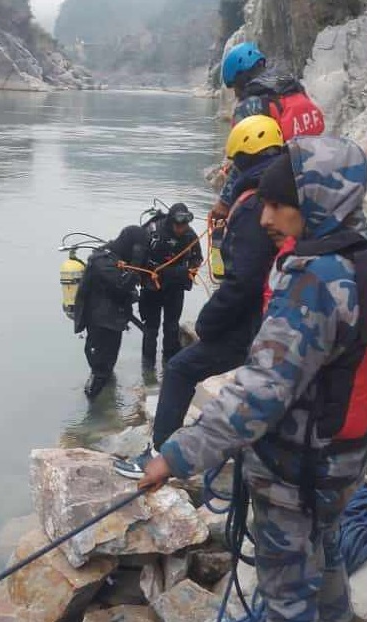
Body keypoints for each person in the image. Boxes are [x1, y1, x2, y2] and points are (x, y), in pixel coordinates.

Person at [138, 136, 367, 621]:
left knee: (285, 596)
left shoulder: (314, 284)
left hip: (294, 472)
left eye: (279, 205)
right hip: (346, 460)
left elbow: (259, 395)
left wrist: (173, 456)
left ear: (318, 202)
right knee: (326, 556)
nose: (266, 218)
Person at [114, 115, 284, 479]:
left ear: (241, 160)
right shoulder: (287, 190)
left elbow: (244, 280)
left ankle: (160, 454)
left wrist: (208, 322)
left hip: (259, 317)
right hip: (281, 309)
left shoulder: (253, 206)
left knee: (178, 368)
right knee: (156, 336)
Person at [216, 42, 325, 214]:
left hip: (281, 182)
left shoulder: (250, 104)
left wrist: (223, 204)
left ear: (240, 77)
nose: (235, 93)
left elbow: (241, 160)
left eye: (234, 87)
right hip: (315, 175)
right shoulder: (293, 87)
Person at [73, 225, 148, 399]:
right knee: (100, 369)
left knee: (108, 364)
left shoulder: (117, 257)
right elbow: (121, 286)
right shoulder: (102, 261)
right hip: (100, 321)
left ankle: (108, 402)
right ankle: (94, 414)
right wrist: (135, 264)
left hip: (113, 319)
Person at [140, 203, 203, 368]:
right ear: (170, 222)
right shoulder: (153, 232)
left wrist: (190, 271)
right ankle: (148, 368)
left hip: (175, 288)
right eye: (179, 225)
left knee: (171, 326)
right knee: (151, 328)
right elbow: (137, 257)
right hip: (152, 287)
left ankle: (169, 363)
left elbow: (197, 258)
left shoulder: (190, 236)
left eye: (185, 225)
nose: (182, 229)